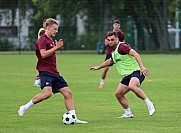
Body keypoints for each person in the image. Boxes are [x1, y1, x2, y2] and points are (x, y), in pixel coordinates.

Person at [18, 18, 88, 124]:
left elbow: (44, 59)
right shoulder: (42, 39)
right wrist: (56, 47)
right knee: (47, 94)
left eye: (57, 29)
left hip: (53, 72)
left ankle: (73, 117)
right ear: (48, 28)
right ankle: (25, 107)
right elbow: (43, 54)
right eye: (55, 29)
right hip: (46, 72)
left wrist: (40, 71)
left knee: (68, 93)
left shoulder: (50, 40)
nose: (56, 31)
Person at [91, 32, 155, 118]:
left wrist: (142, 67)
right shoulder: (114, 51)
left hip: (137, 72)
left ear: (117, 39)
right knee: (118, 94)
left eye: (112, 40)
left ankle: (149, 104)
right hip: (127, 75)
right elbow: (110, 61)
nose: (110, 42)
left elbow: (135, 53)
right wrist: (99, 67)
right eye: (109, 40)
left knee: (132, 86)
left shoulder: (122, 46)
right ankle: (128, 113)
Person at [99, 20, 125, 88]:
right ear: (113, 25)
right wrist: (112, 43)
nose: (117, 26)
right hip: (110, 53)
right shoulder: (109, 34)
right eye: (115, 25)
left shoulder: (121, 34)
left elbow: (123, 43)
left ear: (119, 26)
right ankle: (102, 82)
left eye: (118, 25)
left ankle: (124, 81)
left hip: (118, 53)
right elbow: (106, 43)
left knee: (123, 67)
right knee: (106, 68)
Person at [33, 19, 47, 87]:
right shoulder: (42, 31)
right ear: (43, 24)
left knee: (43, 65)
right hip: (42, 50)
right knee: (43, 65)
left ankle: (38, 80)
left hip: (42, 49)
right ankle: (37, 81)